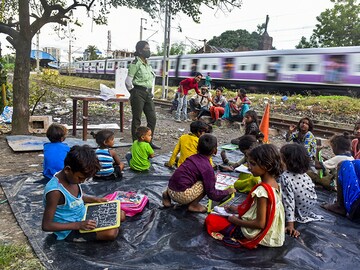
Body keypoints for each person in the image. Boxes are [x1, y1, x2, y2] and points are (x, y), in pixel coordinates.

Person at [205, 144, 285, 248]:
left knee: (211, 219)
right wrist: (236, 209)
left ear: (267, 166)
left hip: (256, 233)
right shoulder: (275, 184)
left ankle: (235, 237)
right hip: (273, 232)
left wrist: (235, 220)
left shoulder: (263, 191)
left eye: (253, 164)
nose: (249, 167)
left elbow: (260, 224)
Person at [42, 145, 126, 242]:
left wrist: (95, 199)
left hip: (84, 215)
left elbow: (76, 198)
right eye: (81, 178)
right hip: (69, 229)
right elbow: (47, 225)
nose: (82, 181)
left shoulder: (72, 178)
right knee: (110, 233)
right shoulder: (55, 192)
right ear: (67, 170)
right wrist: (78, 225)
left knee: (121, 214)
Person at [162, 134, 236, 213]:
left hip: (170, 188)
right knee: (206, 182)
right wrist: (227, 191)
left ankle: (166, 195)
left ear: (197, 148)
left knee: (182, 176)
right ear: (215, 150)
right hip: (182, 196)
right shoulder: (207, 168)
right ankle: (194, 205)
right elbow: (212, 194)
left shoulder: (191, 158)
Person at [279, 144, 323, 238]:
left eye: (281, 158)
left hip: (297, 214)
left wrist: (290, 225)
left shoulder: (285, 177)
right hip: (307, 211)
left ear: (287, 161)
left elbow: (288, 202)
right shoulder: (304, 174)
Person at [125, 40, 161, 149]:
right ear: (140, 50)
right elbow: (128, 81)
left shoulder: (147, 64)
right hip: (138, 92)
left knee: (152, 118)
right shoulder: (135, 64)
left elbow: (150, 80)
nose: (149, 51)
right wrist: (133, 92)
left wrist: (151, 92)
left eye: (149, 48)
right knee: (137, 119)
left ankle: (148, 141)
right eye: (146, 49)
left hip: (148, 93)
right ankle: (137, 143)